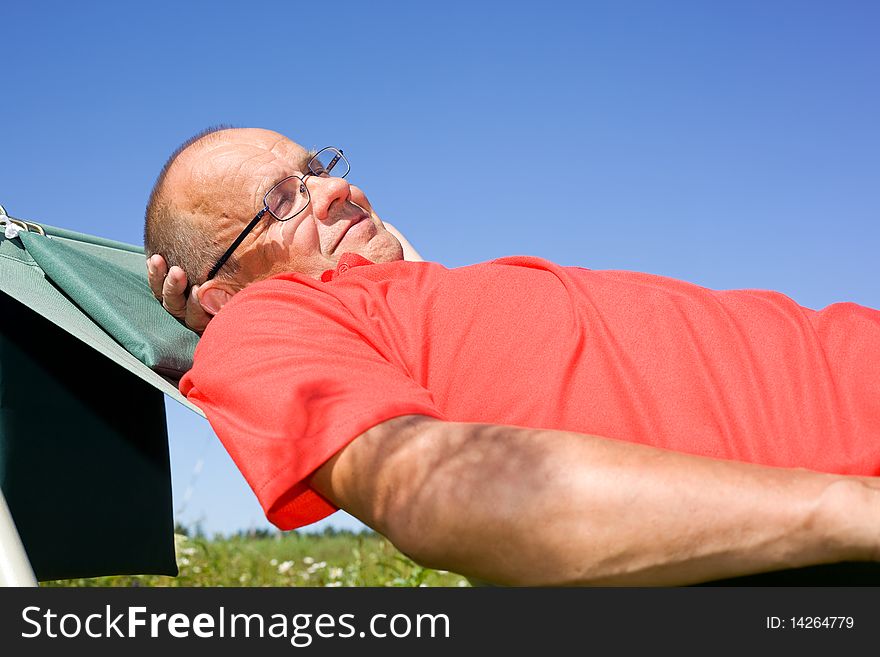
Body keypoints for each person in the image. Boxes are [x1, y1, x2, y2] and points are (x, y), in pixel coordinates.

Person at [145, 127, 880, 586]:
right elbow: (431, 490)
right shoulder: (274, 320)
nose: (338, 187)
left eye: (319, 166)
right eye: (280, 199)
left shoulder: (428, 294)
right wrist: (853, 511)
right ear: (219, 293)